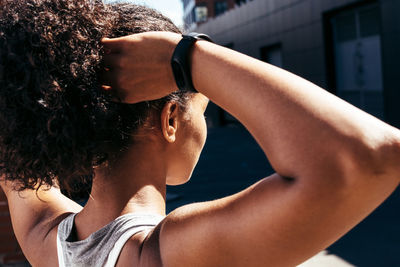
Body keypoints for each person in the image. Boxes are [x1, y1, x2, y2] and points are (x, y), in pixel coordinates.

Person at [0, 0, 399, 266]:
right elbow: (369, 156)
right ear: (171, 118)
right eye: (203, 109)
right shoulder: (165, 254)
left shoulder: (45, 238)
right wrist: (189, 57)